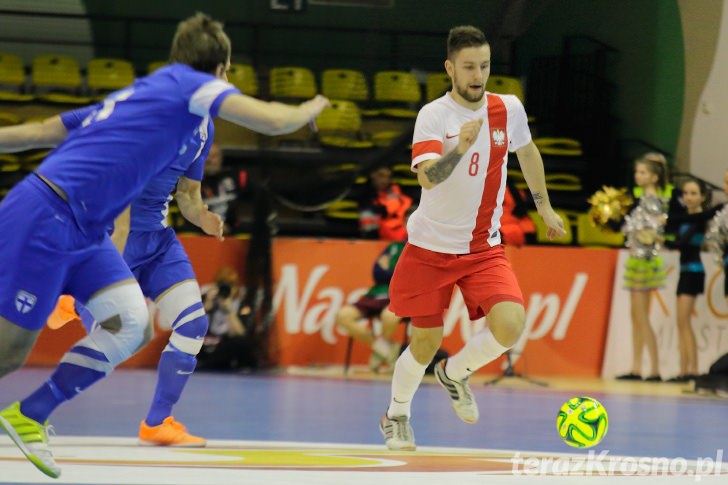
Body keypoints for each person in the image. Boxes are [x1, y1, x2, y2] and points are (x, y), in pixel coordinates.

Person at [0, 12, 328, 478]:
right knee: (10, 353)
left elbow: (41, 132)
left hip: (86, 229)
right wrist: (312, 106)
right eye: (228, 69)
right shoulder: (187, 86)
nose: (229, 79)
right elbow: (274, 121)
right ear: (216, 70)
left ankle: (28, 414)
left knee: (132, 325)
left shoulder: (145, 97)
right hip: (47, 214)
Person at [378, 25, 565, 451]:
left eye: (484, 65)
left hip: (483, 248)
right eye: (468, 67)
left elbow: (528, 152)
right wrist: (458, 149)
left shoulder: (508, 108)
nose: (478, 74)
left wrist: (544, 206)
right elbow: (427, 177)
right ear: (450, 68)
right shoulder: (434, 115)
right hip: (429, 250)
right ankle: (396, 415)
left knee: (510, 325)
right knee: (424, 344)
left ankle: (455, 372)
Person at [616, 153, 676, 382]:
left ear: (654, 176)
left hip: (645, 261)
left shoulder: (654, 200)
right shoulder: (642, 199)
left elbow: (653, 231)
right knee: (635, 315)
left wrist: (648, 234)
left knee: (642, 315)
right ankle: (636, 366)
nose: (637, 176)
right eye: (636, 172)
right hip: (636, 259)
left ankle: (654, 368)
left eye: (642, 172)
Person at [335, 206, 415, 372]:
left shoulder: (423, 249)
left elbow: (410, 276)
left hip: (401, 295)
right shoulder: (394, 247)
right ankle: (384, 349)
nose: (410, 223)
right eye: (407, 220)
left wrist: (389, 272)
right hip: (376, 293)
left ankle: (382, 352)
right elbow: (376, 272)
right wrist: (393, 272)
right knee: (343, 316)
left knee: (389, 316)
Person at [664, 178, 718, 382]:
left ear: (703, 197)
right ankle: (683, 368)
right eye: (686, 193)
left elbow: (682, 242)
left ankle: (692, 370)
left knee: (685, 322)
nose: (688, 197)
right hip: (684, 271)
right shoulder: (684, 218)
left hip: (694, 272)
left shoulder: (699, 219)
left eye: (694, 193)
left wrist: (667, 239)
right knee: (681, 322)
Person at [197, 267, 257, 371]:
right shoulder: (206, 300)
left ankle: (207, 365)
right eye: (222, 285)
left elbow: (239, 334)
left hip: (224, 346)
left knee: (241, 343)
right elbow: (192, 329)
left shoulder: (241, 305)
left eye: (231, 285)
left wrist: (228, 311)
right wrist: (205, 308)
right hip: (206, 344)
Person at [357, 165, 412, 241]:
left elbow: (407, 207)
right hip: (381, 238)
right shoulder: (366, 198)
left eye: (388, 177)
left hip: (404, 233)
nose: (384, 180)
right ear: (372, 175)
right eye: (381, 175)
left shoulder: (397, 192)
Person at [200, 142, 244, 235]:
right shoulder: (190, 182)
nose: (209, 160)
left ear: (221, 158)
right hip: (199, 236)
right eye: (206, 155)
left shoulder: (235, 177)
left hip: (233, 234)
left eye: (214, 156)